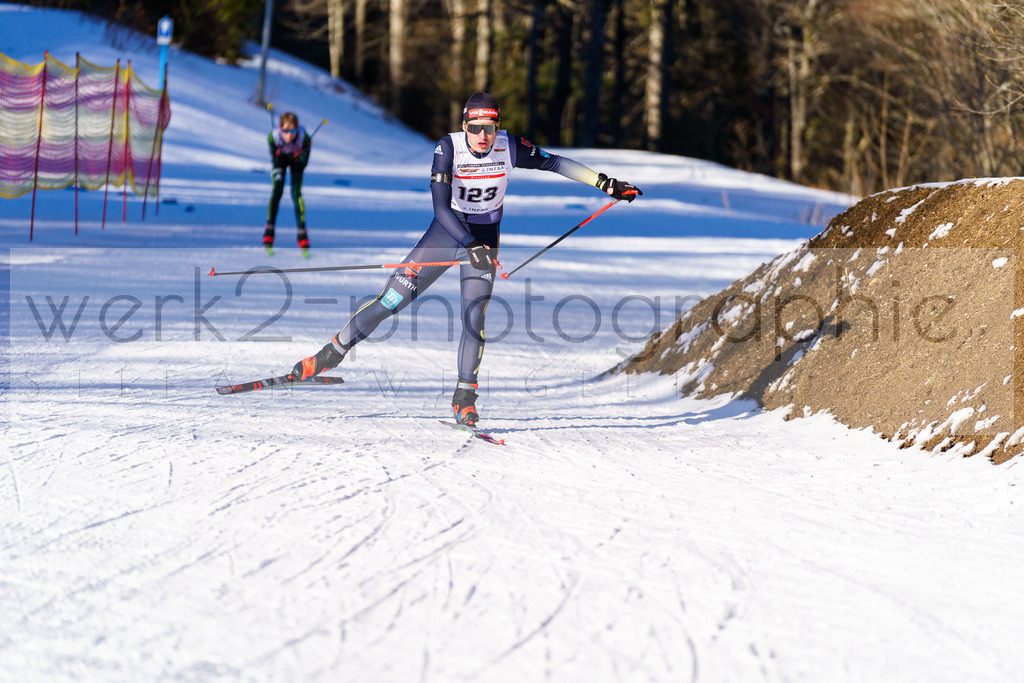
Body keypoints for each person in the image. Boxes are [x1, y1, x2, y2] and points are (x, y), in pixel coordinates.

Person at [288, 92, 642, 426]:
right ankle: (328, 354)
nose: (482, 136)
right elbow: (440, 207)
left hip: (484, 239)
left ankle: (465, 398)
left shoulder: (511, 147)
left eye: (490, 128)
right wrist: (468, 242)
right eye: (475, 129)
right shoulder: (448, 148)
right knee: (390, 301)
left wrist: (606, 183)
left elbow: (556, 162)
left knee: (475, 317)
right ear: (464, 127)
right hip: (446, 234)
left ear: (498, 128)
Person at [263, 111, 312, 256]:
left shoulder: (305, 139)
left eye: (293, 131)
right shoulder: (273, 137)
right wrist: (280, 158)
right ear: (280, 129)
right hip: (280, 163)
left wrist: (297, 158)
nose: (289, 135)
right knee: (277, 191)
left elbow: (304, 163)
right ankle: (269, 229)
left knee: (296, 194)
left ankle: (302, 233)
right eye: (285, 131)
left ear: (297, 129)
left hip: (296, 164)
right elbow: (273, 158)